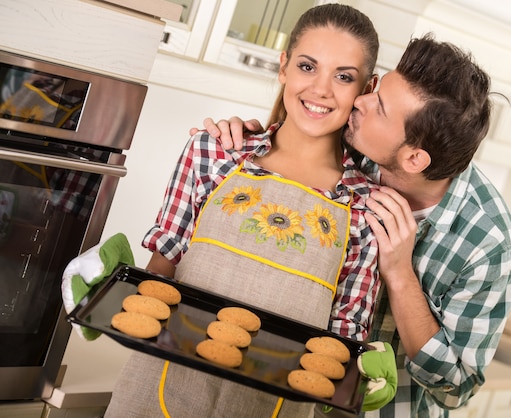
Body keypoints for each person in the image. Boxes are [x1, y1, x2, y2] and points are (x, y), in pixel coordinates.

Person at [62, 4, 398, 418]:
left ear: (368, 88)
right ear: (283, 67)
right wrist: (107, 290)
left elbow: (342, 340)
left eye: (344, 76)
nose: (322, 90)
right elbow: (158, 279)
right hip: (153, 395)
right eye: (308, 67)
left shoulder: (366, 208)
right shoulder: (214, 152)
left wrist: (364, 372)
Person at [200, 34, 511, 418]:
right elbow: (279, 153)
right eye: (377, 89)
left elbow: (455, 389)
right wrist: (244, 136)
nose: (361, 100)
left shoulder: (486, 242)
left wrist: (400, 275)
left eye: (380, 108)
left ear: (415, 158)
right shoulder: (352, 147)